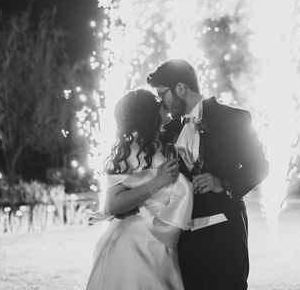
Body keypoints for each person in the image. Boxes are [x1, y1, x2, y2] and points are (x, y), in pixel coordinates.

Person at [147, 59, 269, 290]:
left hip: (224, 232)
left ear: (180, 88)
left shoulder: (233, 118)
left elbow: (260, 166)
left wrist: (223, 183)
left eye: (162, 94)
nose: (160, 101)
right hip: (185, 238)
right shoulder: (168, 131)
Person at [86, 89, 193, 290]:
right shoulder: (132, 149)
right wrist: (157, 183)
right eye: (159, 104)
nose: (165, 106)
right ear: (148, 112)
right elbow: (114, 204)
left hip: (156, 241)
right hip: (134, 246)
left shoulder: (154, 146)